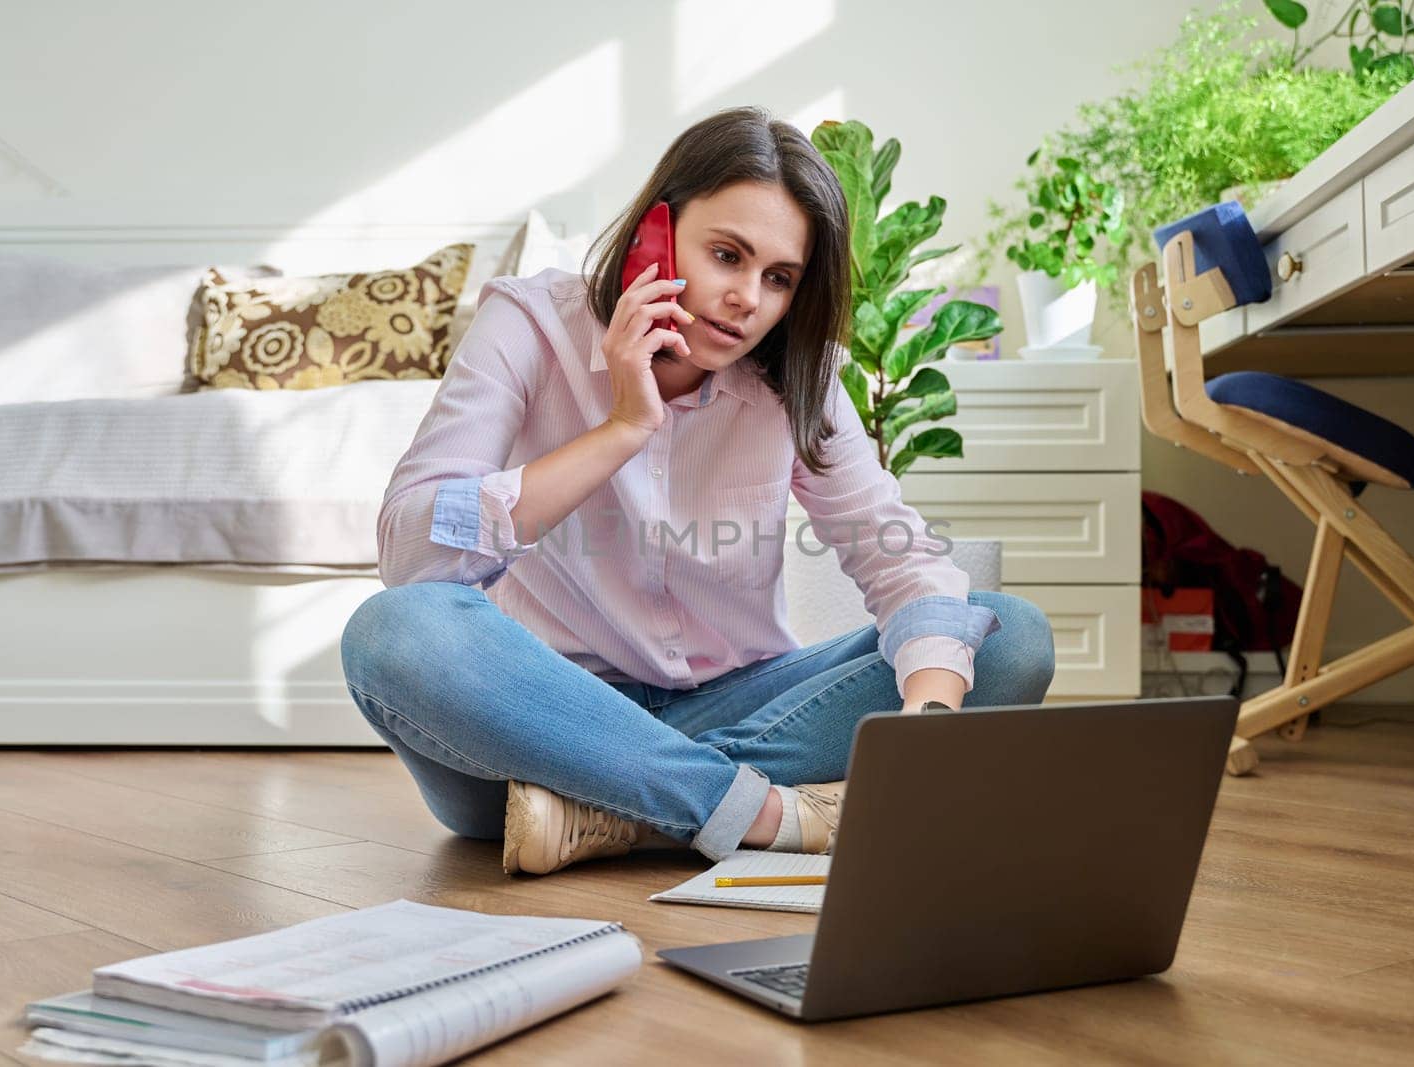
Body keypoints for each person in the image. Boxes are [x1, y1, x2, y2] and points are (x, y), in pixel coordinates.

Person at [340, 105, 1055, 877]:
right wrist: (620, 426)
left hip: (728, 707)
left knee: (1007, 636)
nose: (749, 297)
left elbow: (901, 557)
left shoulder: (796, 376)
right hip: (543, 722)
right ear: (659, 226)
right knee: (394, 631)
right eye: (727, 254)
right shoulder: (528, 324)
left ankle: (625, 816)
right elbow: (413, 554)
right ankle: (769, 813)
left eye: (778, 277)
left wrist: (927, 726)